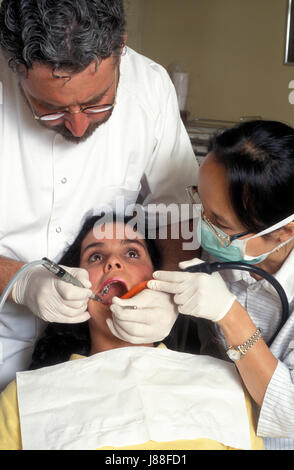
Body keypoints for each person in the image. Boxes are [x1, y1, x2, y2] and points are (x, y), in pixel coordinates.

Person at [0, 0, 198, 390]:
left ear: (120, 45)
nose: (76, 127)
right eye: (49, 110)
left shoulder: (150, 86)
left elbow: (178, 211)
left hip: (104, 356)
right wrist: (18, 280)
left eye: (96, 103)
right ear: (14, 64)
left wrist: (170, 287)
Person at [0, 215, 263, 450]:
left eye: (132, 253)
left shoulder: (227, 385)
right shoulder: (22, 401)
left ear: (158, 278)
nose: (113, 262)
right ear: (71, 284)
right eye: (95, 256)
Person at [143, 120, 294, 450]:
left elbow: (289, 413)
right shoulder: (221, 255)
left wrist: (230, 314)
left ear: (285, 231)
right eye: (200, 205)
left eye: (220, 223)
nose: (202, 226)